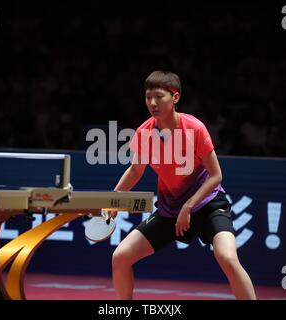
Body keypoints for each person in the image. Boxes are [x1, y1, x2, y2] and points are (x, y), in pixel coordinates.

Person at [110, 71, 256, 300]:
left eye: (159, 96)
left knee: (228, 258)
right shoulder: (144, 133)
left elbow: (216, 176)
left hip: (208, 205)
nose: (152, 103)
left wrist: (189, 206)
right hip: (171, 211)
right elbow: (136, 170)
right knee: (120, 257)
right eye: (148, 97)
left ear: (175, 97)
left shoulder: (194, 128)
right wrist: (114, 200)